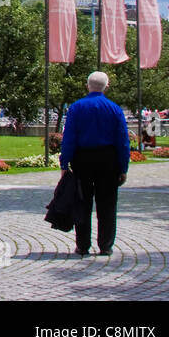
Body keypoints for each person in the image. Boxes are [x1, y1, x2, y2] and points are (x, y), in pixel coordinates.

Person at [59, 71, 131, 256]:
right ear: (107, 87)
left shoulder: (76, 108)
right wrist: (123, 167)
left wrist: (64, 164)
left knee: (82, 202)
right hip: (108, 159)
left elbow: (69, 138)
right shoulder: (115, 109)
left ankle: (82, 245)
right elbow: (123, 141)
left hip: (82, 158)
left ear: (87, 85)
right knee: (107, 204)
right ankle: (105, 245)